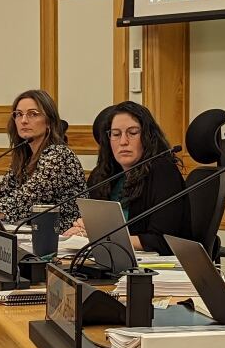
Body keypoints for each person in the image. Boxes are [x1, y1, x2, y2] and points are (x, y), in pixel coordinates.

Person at [63, 101, 191, 255]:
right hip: (113, 259)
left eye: (132, 132)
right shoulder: (103, 174)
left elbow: (163, 240)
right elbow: (98, 227)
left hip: (159, 269)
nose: (123, 141)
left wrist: (102, 237)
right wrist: (83, 230)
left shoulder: (163, 171)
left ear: (147, 136)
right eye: (116, 134)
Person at [0, 90, 86, 231]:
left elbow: (17, 204)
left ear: (49, 122)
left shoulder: (58, 156)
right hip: (31, 235)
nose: (24, 120)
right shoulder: (25, 156)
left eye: (33, 114)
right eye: (19, 114)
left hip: (62, 239)